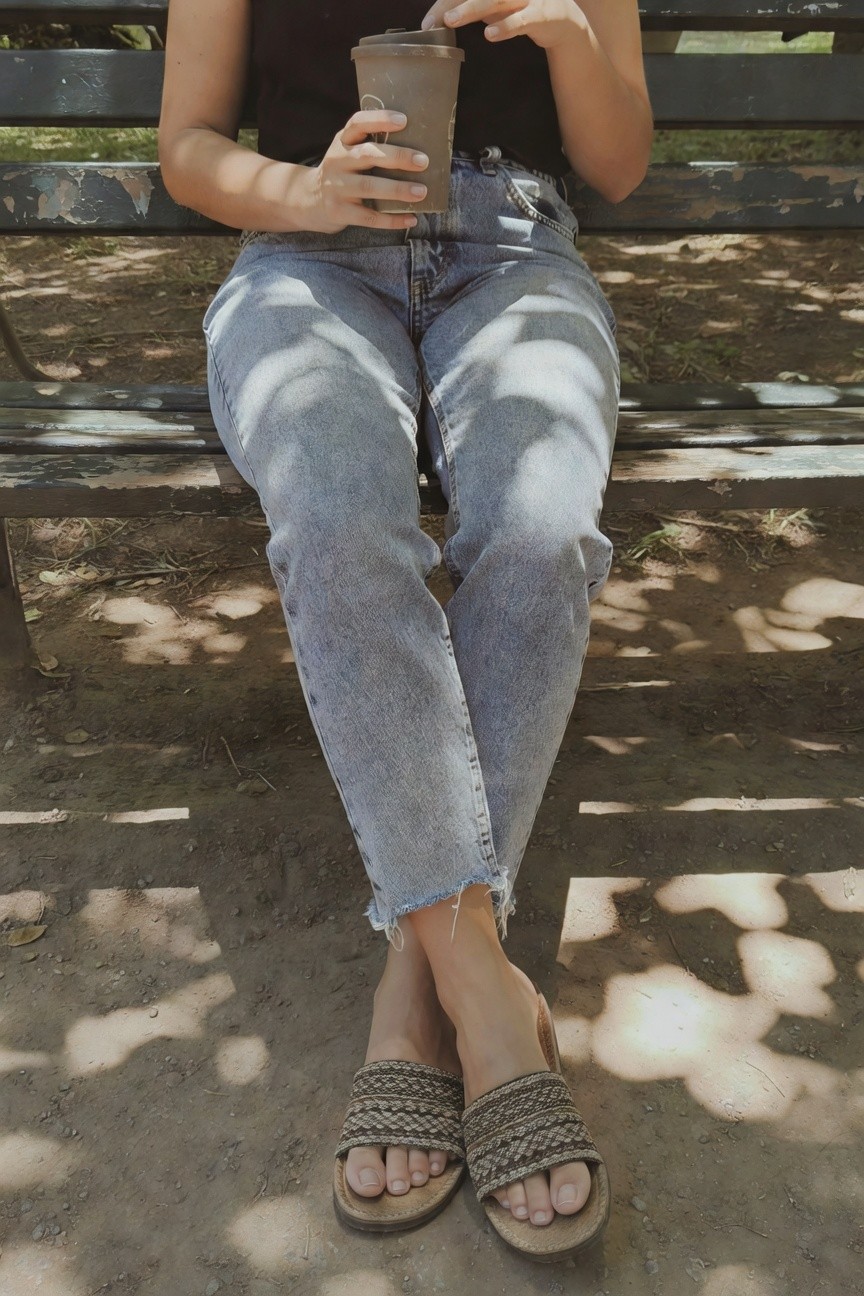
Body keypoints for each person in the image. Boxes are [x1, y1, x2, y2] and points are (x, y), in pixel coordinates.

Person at [159, 0, 652, 1263]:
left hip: (514, 254)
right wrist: (303, 190)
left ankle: (416, 978)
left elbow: (618, 164)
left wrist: (568, 30)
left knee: (541, 531)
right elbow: (188, 147)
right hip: (305, 261)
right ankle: (483, 993)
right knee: (334, 522)